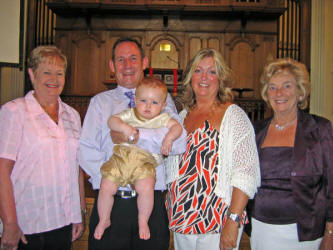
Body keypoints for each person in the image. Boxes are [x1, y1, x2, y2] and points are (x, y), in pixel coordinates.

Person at [79, 37, 187, 250]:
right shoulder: (100, 103)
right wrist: (116, 179)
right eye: (121, 60)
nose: (127, 66)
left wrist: (135, 136)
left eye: (133, 59)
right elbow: (86, 150)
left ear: (144, 62)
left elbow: (179, 144)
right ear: (112, 66)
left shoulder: (162, 101)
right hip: (111, 204)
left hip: (151, 202)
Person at [165, 48, 261, 250]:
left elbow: (247, 174)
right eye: (198, 70)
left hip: (218, 220)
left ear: (221, 78)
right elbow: (172, 165)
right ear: (191, 76)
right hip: (183, 218)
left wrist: (233, 220)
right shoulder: (182, 117)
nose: (204, 77)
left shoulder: (234, 116)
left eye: (212, 71)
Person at [0, 46, 85, 250]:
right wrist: (10, 222)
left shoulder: (72, 115)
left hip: (63, 220)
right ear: (32, 74)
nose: (53, 79)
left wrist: (79, 212)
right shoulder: (14, 111)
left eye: (59, 73)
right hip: (26, 223)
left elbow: (76, 168)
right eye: (46, 72)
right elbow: (2, 170)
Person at [248, 58, 333, 250]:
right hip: (262, 228)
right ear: (266, 93)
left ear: (300, 92)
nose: (279, 93)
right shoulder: (256, 131)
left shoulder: (320, 128)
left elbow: (331, 183)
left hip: (305, 232)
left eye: (287, 86)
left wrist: (330, 232)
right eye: (272, 87)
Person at [94, 77, 183, 240]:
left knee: (146, 188)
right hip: (120, 158)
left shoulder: (163, 118)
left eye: (155, 102)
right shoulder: (130, 114)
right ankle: (104, 219)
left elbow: (178, 128)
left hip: (144, 162)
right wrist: (124, 127)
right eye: (143, 100)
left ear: (163, 105)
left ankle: (143, 221)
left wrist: (169, 138)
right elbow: (111, 121)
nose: (148, 106)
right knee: (106, 186)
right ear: (135, 100)